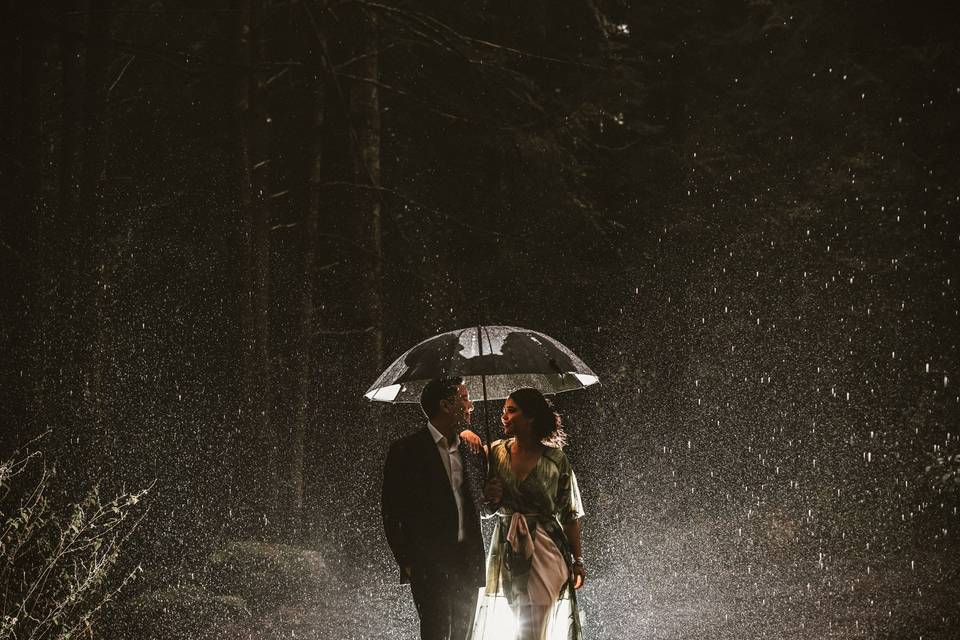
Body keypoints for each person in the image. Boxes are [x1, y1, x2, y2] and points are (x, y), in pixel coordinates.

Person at [470, 387, 585, 640]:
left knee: (535, 624)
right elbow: (481, 509)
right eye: (503, 411)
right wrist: (465, 434)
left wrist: (578, 561)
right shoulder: (494, 452)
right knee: (521, 620)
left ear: (531, 416)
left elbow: (570, 515)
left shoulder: (556, 460)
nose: (504, 417)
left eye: (512, 411)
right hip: (508, 549)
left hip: (548, 548)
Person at [381, 377, 487, 640]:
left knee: (465, 636)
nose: (470, 405)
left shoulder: (472, 450)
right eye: (464, 398)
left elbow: (481, 508)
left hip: (468, 562)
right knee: (436, 634)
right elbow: (392, 510)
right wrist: (407, 561)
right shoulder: (406, 450)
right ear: (446, 405)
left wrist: (493, 498)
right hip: (429, 565)